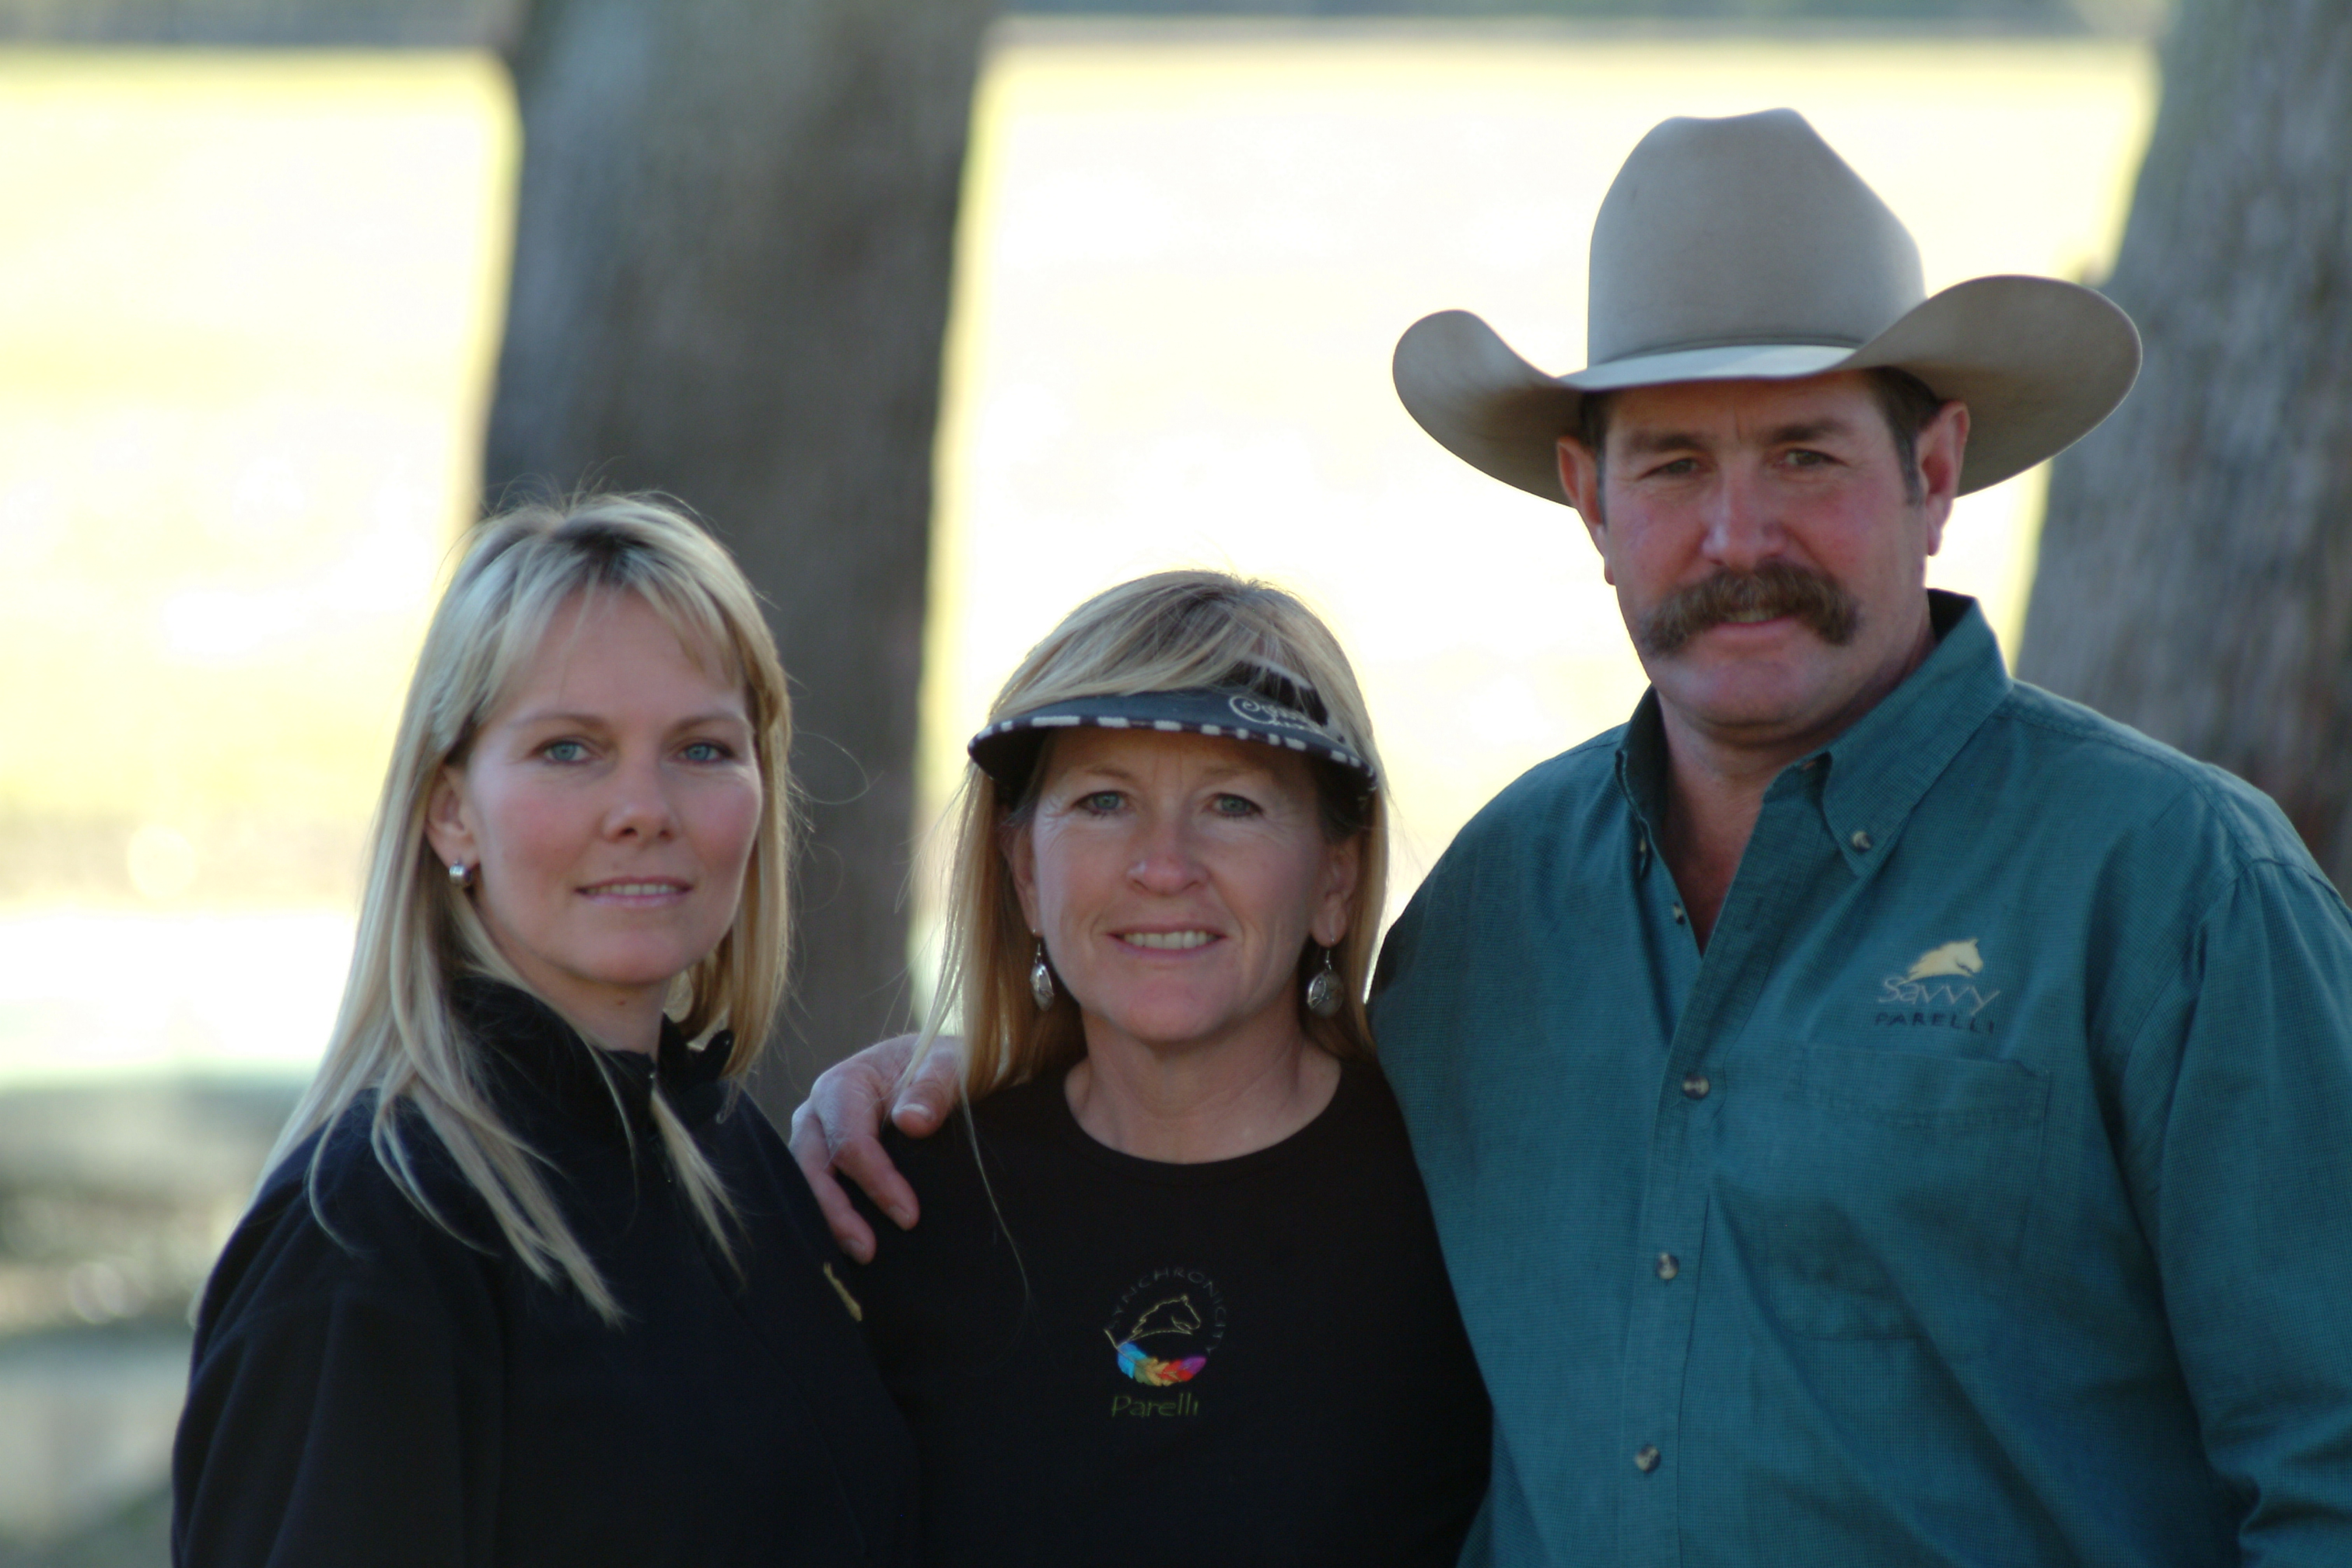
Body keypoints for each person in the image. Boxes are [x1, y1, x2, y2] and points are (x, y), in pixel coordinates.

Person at [796, 110, 2352, 1565]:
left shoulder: (2178, 893)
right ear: (1587, 499)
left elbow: (2328, 1461)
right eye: (1674, 465)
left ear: (1932, 471)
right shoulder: (1496, 913)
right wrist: (953, 1072)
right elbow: (1226, 1074)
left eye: (1805, 455)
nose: (1738, 539)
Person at [172, 496, 917, 1566]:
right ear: (450, 811)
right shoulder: (370, 1235)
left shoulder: (737, 1161)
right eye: (571, 749)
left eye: (703, 750)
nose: (643, 807)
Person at [838, 571, 1489, 1566]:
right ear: (1025, 874)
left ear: (1336, 880)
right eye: (1104, 801)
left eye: (1232, 804)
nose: (1164, 866)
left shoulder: (1469, 1204)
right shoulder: (897, 1205)